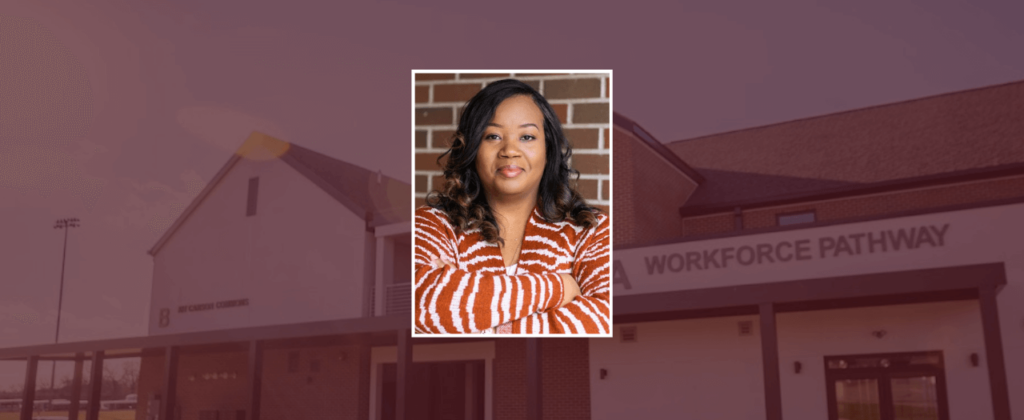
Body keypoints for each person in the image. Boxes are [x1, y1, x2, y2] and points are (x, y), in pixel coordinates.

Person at [414, 78, 610, 335]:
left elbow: (603, 320)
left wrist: (474, 316)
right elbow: (423, 306)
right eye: (492, 136)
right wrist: (560, 287)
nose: (509, 150)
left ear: (548, 150)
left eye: (527, 136)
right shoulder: (432, 223)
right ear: (472, 148)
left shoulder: (592, 230)